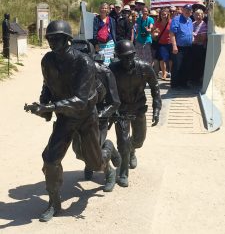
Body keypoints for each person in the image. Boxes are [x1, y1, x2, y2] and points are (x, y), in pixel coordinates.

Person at [24, 20, 119, 222]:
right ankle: (54, 203)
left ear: (67, 40)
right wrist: (42, 105)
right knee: (50, 159)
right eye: (50, 38)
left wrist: (49, 107)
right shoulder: (47, 61)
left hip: (86, 118)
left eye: (57, 38)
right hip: (64, 119)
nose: (52, 41)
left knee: (94, 163)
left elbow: (81, 100)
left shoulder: (83, 62)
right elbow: (47, 86)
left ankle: (108, 153)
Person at [109, 40, 161, 187]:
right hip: (122, 111)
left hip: (138, 109)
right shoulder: (113, 69)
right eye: (123, 57)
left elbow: (155, 88)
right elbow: (105, 90)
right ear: (118, 57)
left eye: (129, 56)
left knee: (139, 140)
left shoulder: (144, 68)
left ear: (134, 54)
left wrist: (156, 109)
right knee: (123, 143)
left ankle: (132, 151)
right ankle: (123, 172)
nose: (127, 60)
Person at [72, 39, 121, 182]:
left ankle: (109, 171)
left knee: (95, 153)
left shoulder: (104, 72)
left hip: (98, 117)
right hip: (77, 116)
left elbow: (115, 102)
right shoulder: (70, 73)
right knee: (79, 152)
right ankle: (90, 162)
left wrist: (99, 116)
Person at [170, 4, 193, 88]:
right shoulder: (176, 19)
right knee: (177, 66)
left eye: (189, 10)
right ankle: (175, 85)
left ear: (191, 12)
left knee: (186, 66)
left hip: (189, 47)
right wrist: (174, 46)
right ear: (182, 10)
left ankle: (183, 83)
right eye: (186, 9)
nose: (188, 11)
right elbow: (172, 34)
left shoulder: (190, 20)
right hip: (179, 47)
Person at [152, 8, 172, 80]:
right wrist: (154, 34)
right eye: (162, 14)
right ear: (160, 15)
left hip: (170, 42)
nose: (164, 16)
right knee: (162, 59)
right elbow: (153, 33)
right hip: (161, 42)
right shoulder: (157, 23)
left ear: (167, 15)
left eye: (165, 14)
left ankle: (171, 74)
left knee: (170, 59)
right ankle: (164, 74)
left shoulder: (171, 22)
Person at [191, 9, 207, 85]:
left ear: (202, 15)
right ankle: (193, 79)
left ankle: (197, 79)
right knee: (193, 63)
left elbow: (203, 38)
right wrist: (197, 36)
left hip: (200, 47)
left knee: (199, 64)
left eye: (199, 14)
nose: (197, 16)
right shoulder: (192, 23)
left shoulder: (203, 24)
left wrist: (195, 38)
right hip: (192, 47)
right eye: (196, 14)